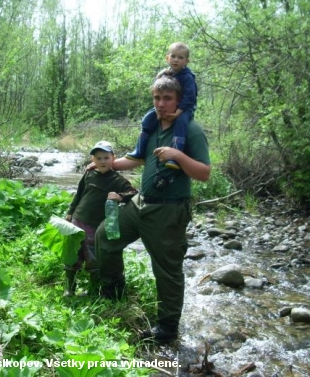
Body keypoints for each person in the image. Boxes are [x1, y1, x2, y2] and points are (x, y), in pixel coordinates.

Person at [95, 74, 211, 343]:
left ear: (179, 100)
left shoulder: (191, 130)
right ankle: (113, 292)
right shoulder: (151, 126)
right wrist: (107, 165)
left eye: (167, 98)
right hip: (140, 203)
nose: (161, 104)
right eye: (157, 98)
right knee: (105, 235)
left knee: (167, 271)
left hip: (169, 211)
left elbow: (204, 173)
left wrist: (178, 156)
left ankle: (167, 328)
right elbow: (135, 160)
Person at [64, 141, 137, 297]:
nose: (102, 161)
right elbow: (79, 194)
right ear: (93, 160)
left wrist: (120, 197)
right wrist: (70, 212)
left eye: (106, 157)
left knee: (93, 258)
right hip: (77, 220)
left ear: (113, 159)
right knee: (72, 255)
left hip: (95, 226)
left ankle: (92, 290)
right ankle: (69, 289)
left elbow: (133, 193)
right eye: (98, 158)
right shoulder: (89, 174)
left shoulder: (117, 180)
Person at [125, 42, 197, 170]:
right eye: (173, 56)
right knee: (147, 119)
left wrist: (177, 113)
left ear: (187, 61)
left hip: (185, 109)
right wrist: (161, 74)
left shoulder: (187, 77)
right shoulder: (168, 73)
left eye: (180, 58)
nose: (176, 60)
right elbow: (158, 88)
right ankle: (140, 151)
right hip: (170, 107)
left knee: (180, 124)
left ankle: (174, 157)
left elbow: (189, 98)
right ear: (167, 58)